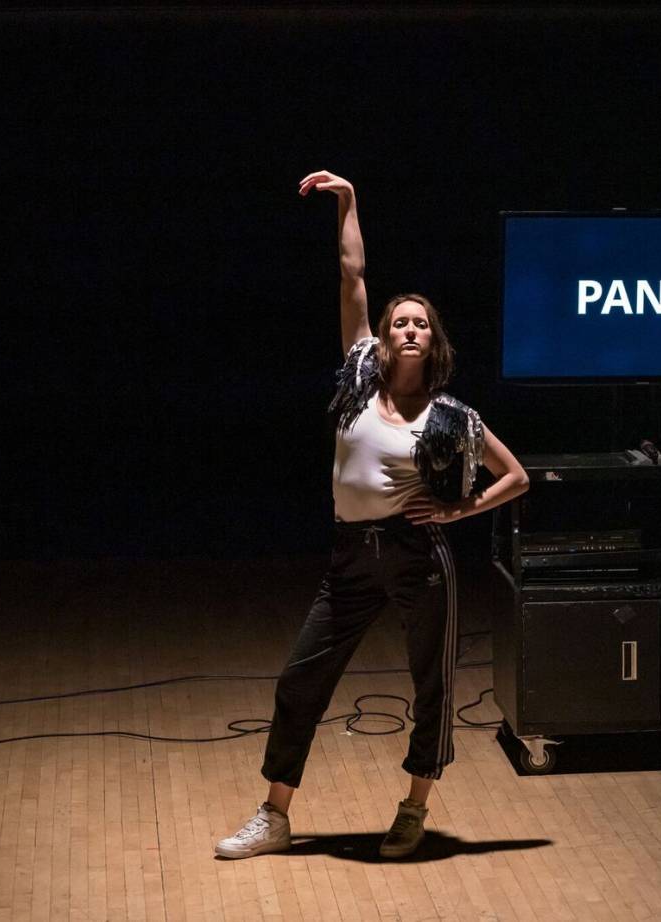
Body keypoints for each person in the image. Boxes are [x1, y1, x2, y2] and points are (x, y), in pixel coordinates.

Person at [215, 170, 529, 860]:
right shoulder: (359, 378)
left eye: (421, 323)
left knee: (432, 688)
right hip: (350, 556)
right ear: (384, 338)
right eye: (399, 322)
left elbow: (517, 477)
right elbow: (352, 276)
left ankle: (415, 808)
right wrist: (349, 201)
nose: (410, 329)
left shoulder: (452, 415)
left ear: (433, 341)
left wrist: (458, 511)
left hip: (418, 558)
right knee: (301, 680)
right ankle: (274, 816)